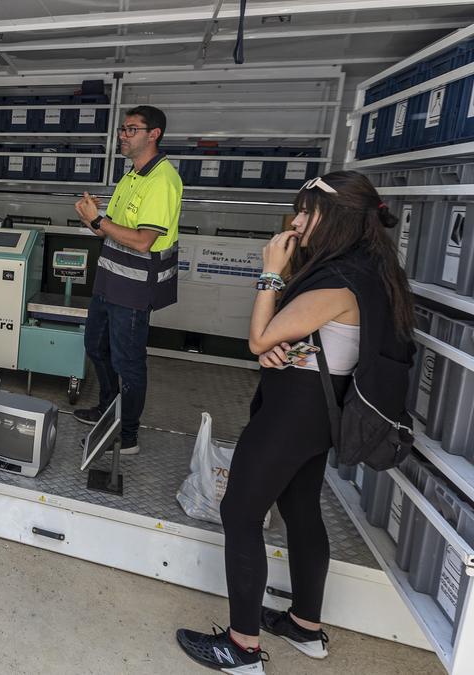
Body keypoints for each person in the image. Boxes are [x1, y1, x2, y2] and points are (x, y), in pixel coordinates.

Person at [176, 171, 416, 673]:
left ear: (339, 221)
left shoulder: (340, 278)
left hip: (294, 412)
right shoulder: (371, 268)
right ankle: (305, 627)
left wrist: (269, 271)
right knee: (301, 508)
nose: (297, 220)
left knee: (240, 513)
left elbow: (259, 337)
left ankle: (241, 649)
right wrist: (286, 343)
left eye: (309, 212)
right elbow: (331, 340)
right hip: (321, 409)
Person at [73, 105, 182, 456]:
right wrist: (93, 218)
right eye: (122, 129)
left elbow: (142, 240)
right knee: (96, 347)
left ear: (154, 134)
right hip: (108, 283)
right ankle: (109, 411)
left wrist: (99, 221)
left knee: (128, 362)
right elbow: (113, 232)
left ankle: (128, 435)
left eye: (131, 129)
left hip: (134, 289)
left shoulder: (162, 180)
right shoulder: (132, 175)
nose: (123, 134)